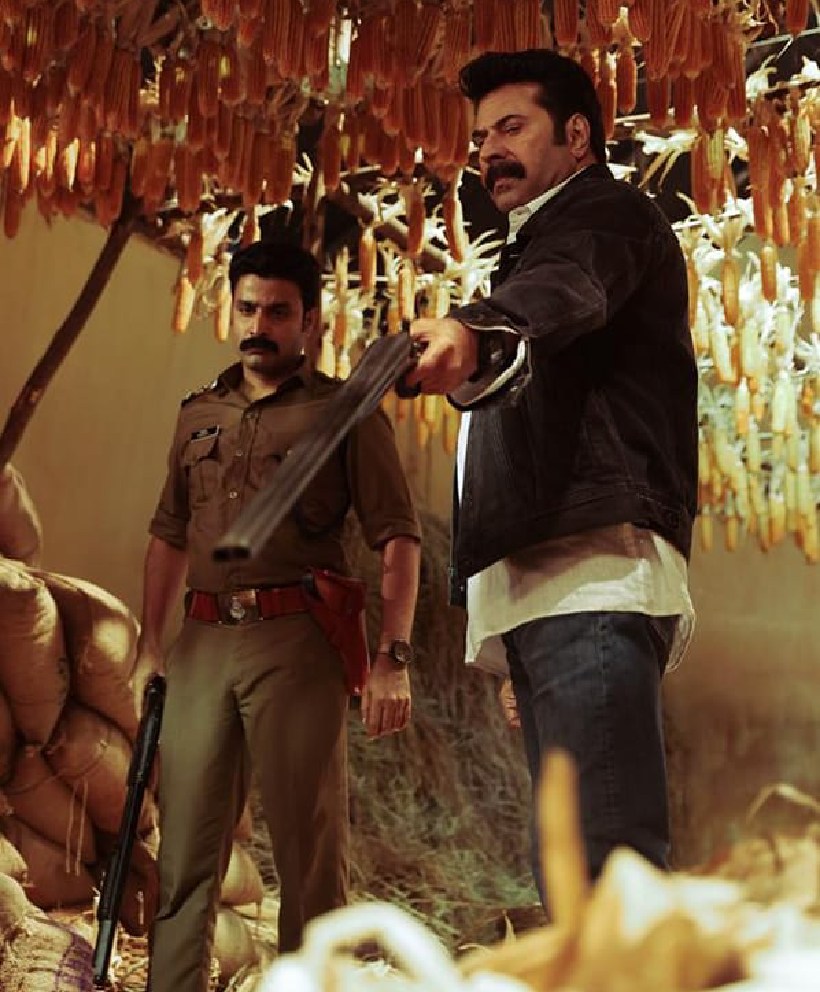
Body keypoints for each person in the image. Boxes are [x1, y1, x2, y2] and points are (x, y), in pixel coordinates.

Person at [404, 49, 698, 898]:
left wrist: (475, 332)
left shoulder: (607, 216)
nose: (488, 150)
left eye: (511, 127)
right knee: (573, 878)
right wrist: (509, 634)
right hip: (553, 596)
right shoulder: (530, 252)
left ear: (576, 136)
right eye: (480, 137)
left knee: (606, 878)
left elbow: (566, 289)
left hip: (589, 584)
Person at [131, 240, 421, 992]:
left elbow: (398, 537)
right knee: (183, 858)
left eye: (279, 312)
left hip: (297, 642)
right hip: (201, 641)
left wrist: (392, 657)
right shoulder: (198, 412)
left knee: (308, 858)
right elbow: (168, 535)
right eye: (249, 308)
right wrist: (150, 648)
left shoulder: (346, 414)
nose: (259, 325)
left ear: (311, 322)